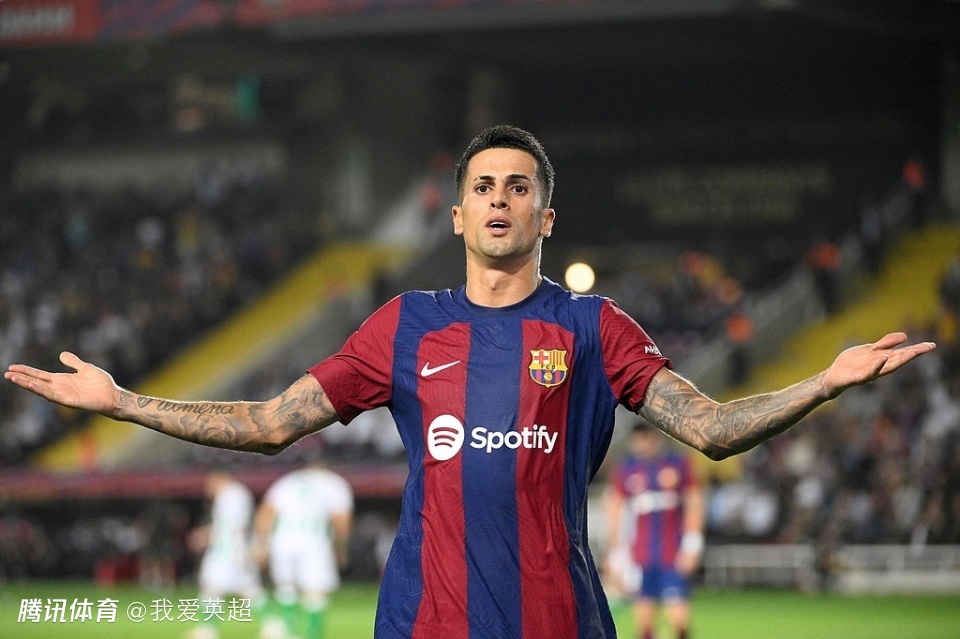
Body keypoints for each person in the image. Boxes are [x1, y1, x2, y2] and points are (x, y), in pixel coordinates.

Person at [5, 125, 937, 639]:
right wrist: (122, 403)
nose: (500, 199)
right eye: (484, 186)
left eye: (519, 186)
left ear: (546, 215)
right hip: (425, 621)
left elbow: (714, 426)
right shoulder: (405, 324)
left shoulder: (594, 325)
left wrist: (824, 381)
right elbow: (269, 421)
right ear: (456, 214)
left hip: (560, 620)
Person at [603, 420, 704, 639]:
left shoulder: (678, 464)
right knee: (645, 625)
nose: (642, 446)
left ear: (656, 439)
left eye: (645, 440)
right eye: (637, 442)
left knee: (680, 622)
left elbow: (694, 503)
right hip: (640, 555)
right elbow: (615, 510)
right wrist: (616, 553)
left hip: (672, 552)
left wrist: (693, 545)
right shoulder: (627, 470)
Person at [254, 463, 354, 639]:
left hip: (282, 541)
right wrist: (340, 548)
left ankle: (289, 632)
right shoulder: (334, 483)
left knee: (286, 587)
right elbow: (341, 520)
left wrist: (261, 544)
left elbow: (266, 513)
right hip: (314, 543)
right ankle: (313, 635)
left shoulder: (288, 481)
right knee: (315, 591)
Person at [187, 470, 264, 639]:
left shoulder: (232, 495)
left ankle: (208, 630)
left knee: (215, 587)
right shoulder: (233, 494)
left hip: (229, 550)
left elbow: (235, 525)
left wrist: (208, 536)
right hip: (231, 549)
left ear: (219, 479)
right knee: (246, 590)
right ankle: (272, 626)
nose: (208, 489)